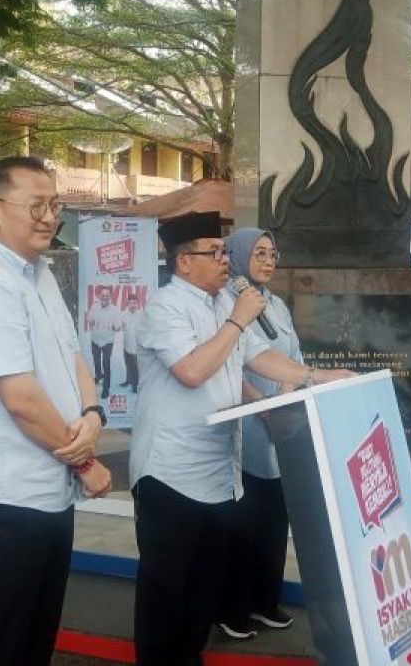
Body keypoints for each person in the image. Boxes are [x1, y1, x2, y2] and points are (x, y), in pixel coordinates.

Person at [130, 211, 352, 666]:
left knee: (199, 597)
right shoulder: (165, 308)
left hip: (219, 476)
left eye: (223, 250)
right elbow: (191, 370)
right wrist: (236, 321)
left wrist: (319, 376)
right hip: (170, 475)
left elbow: (263, 357)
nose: (223, 259)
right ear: (182, 262)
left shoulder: (222, 305)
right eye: (212, 252)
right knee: (165, 598)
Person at [0, 156, 113, 666]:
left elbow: (74, 355)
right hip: (9, 496)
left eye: (54, 205)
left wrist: (92, 413)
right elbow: (19, 397)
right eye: (36, 205)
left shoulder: (38, 274)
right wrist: (85, 462)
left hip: (50, 492)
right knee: (4, 640)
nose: (49, 217)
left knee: (37, 635)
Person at [217, 228, 299, 639]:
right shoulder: (226, 305)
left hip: (278, 426)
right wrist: (262, 408)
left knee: (273, 521)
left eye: (273, 253)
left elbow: (293, 357)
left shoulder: (279, 306)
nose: (269, 260)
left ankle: (265, 601)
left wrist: (284, 398)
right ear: (236, 256)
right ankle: (233, 609)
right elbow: (235, 363)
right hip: (246, 423)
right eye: (259, 252)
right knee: (243, 525)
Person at [85, 285, 122, 399]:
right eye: (103, 295)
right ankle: (98, 376)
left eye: (107, 295)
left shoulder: (115, 310)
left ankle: (106, 388)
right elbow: (89, 318)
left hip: (107, 342)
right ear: (100, 296)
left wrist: (116, 328)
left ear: (110, 296)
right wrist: (91, 322)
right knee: (96, 361)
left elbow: (118, 327)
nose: (105, 297)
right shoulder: (95, 306)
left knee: (106, 364)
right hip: (95, 339)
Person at [120, 296, 142, 393]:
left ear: (137, 304)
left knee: (135, 368)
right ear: (127, 304)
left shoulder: (141, 315)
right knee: (128, 365)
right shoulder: (124, 314)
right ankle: (128, 381)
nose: (132, 305)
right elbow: (121, 327)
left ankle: (135, 385)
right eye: (130, 303)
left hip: (136, 347)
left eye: (134, 303)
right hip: (126, 346)